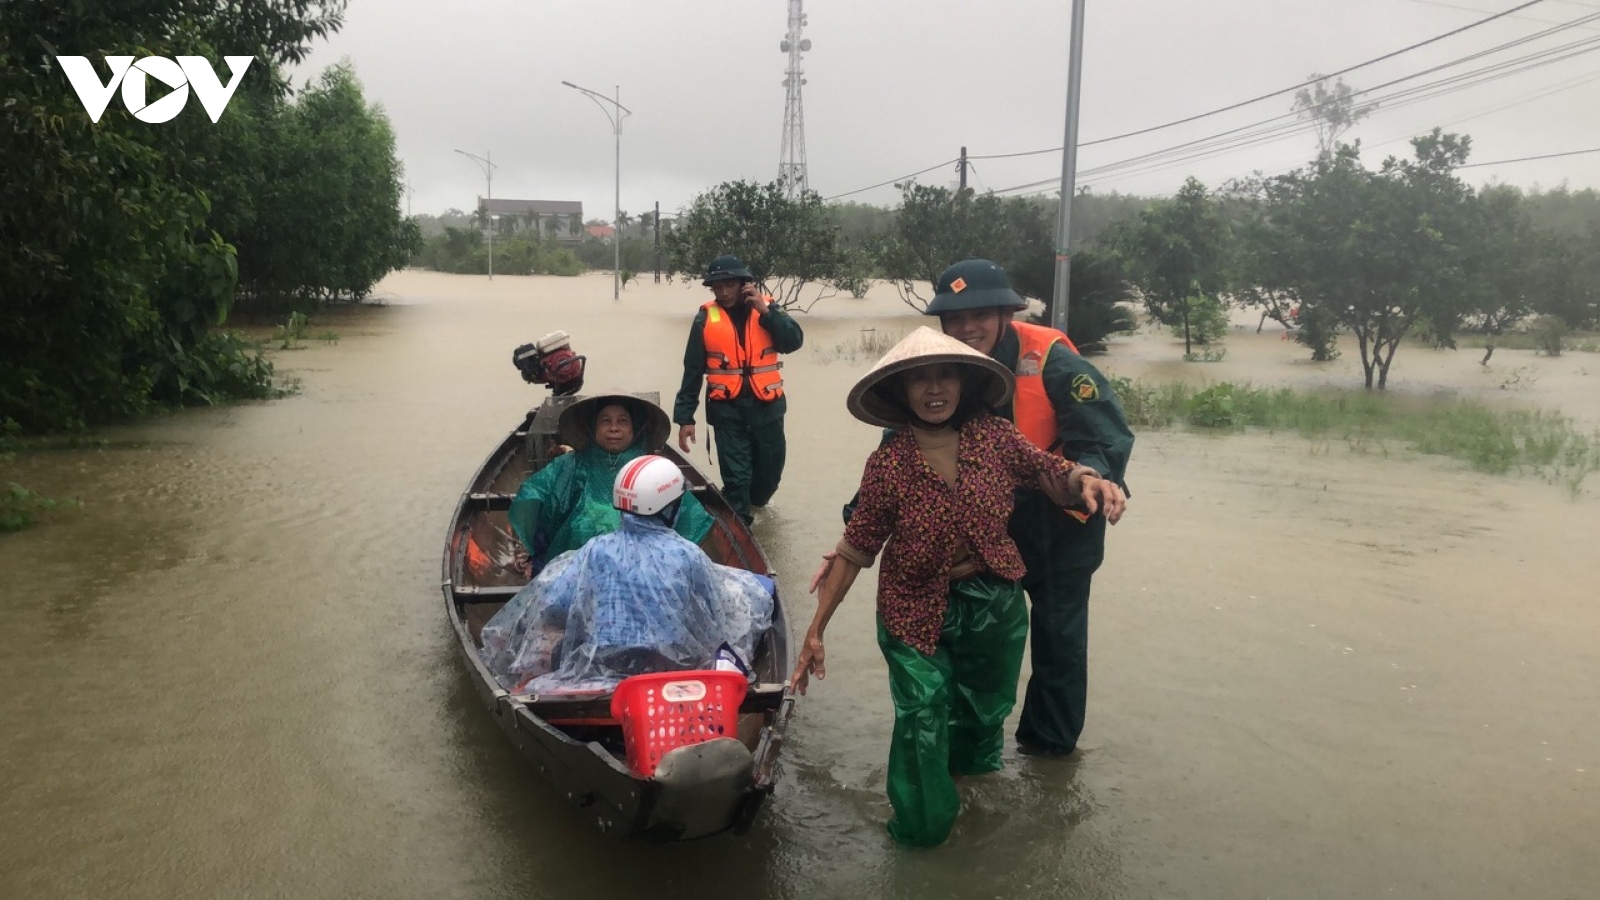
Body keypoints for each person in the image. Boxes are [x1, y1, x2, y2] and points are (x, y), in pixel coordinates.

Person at [788, 327, 1125, 848]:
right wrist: (816, 631)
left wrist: (1087, 479)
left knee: (978, 712)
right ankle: (920, 834)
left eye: (945, 375)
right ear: (902, 391)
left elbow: (1049, 470)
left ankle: (956, 788)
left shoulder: (995, 437)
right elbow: (856, 548)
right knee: (922, 714)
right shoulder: (888, 463)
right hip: (911, 605)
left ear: (963, 384)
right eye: (919, 379)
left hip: (992, 600)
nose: (934, 388)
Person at [925, 259, 1135, 758]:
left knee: (1059, 644)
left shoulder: (1053, 360)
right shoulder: (936, 363)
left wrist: (1092, 477)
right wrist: (863, 514)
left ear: (1005, 313)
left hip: (1062, 524)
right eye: (955, 318)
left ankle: (1048, 756)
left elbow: (1101, 435)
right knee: (980, 640)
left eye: (979, 315)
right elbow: (902, 443)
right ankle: (972, 752)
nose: (967, 328)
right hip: (988, 529)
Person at [482, 455, 775, 693]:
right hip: (670, 668)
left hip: (601, 663)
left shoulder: (596, 550)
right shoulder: (688, 554)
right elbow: (716, 614)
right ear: (669, 508)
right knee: (754, 593)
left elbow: (555, 607)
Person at [508, 391, 713, 573]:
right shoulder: (572, 463)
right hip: (577, 563)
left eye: (622, 421)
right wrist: (530, 547)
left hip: (644, 562)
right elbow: (533, 494)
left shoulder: (652, 468)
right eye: (605, 421)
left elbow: (688, 514)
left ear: (634, 429)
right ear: (593, 428)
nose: (614, 428)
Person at [673, 254, 804, 525]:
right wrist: (685, 418)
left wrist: (766, 312)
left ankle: (749, 508)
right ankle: (740, 527)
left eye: (729, 285)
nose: (723, 292)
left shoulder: (767, 308)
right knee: (737, 481)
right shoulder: (705, 318)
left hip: (767, 410)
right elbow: (692, 370)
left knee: (769, 478)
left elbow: (793, 341)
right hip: (727, 412)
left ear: (744, 284)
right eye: (717, 287)